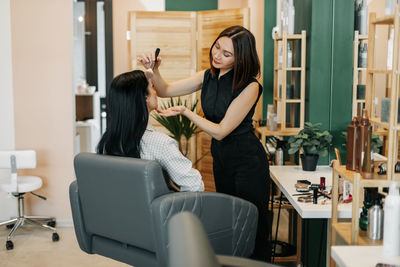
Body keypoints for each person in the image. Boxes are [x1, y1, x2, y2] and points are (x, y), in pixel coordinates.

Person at [139, 25, 271, 261]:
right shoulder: (208, 75)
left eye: (227, 54)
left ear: (241, 59)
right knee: (229, 221)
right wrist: (155, 70)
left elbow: (221, 131)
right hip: (221, 158)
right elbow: (166, 90)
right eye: (217, 46)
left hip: (248, 162)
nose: (217, 55)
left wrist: (187, 113)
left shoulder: (250, 86)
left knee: (253, 225)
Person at [97, 70, 204, 192]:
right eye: (152, 86)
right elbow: (195, 185)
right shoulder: (160, 143)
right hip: (155, 210)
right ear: (145, 97)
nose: (156, 91)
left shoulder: (107, 141)